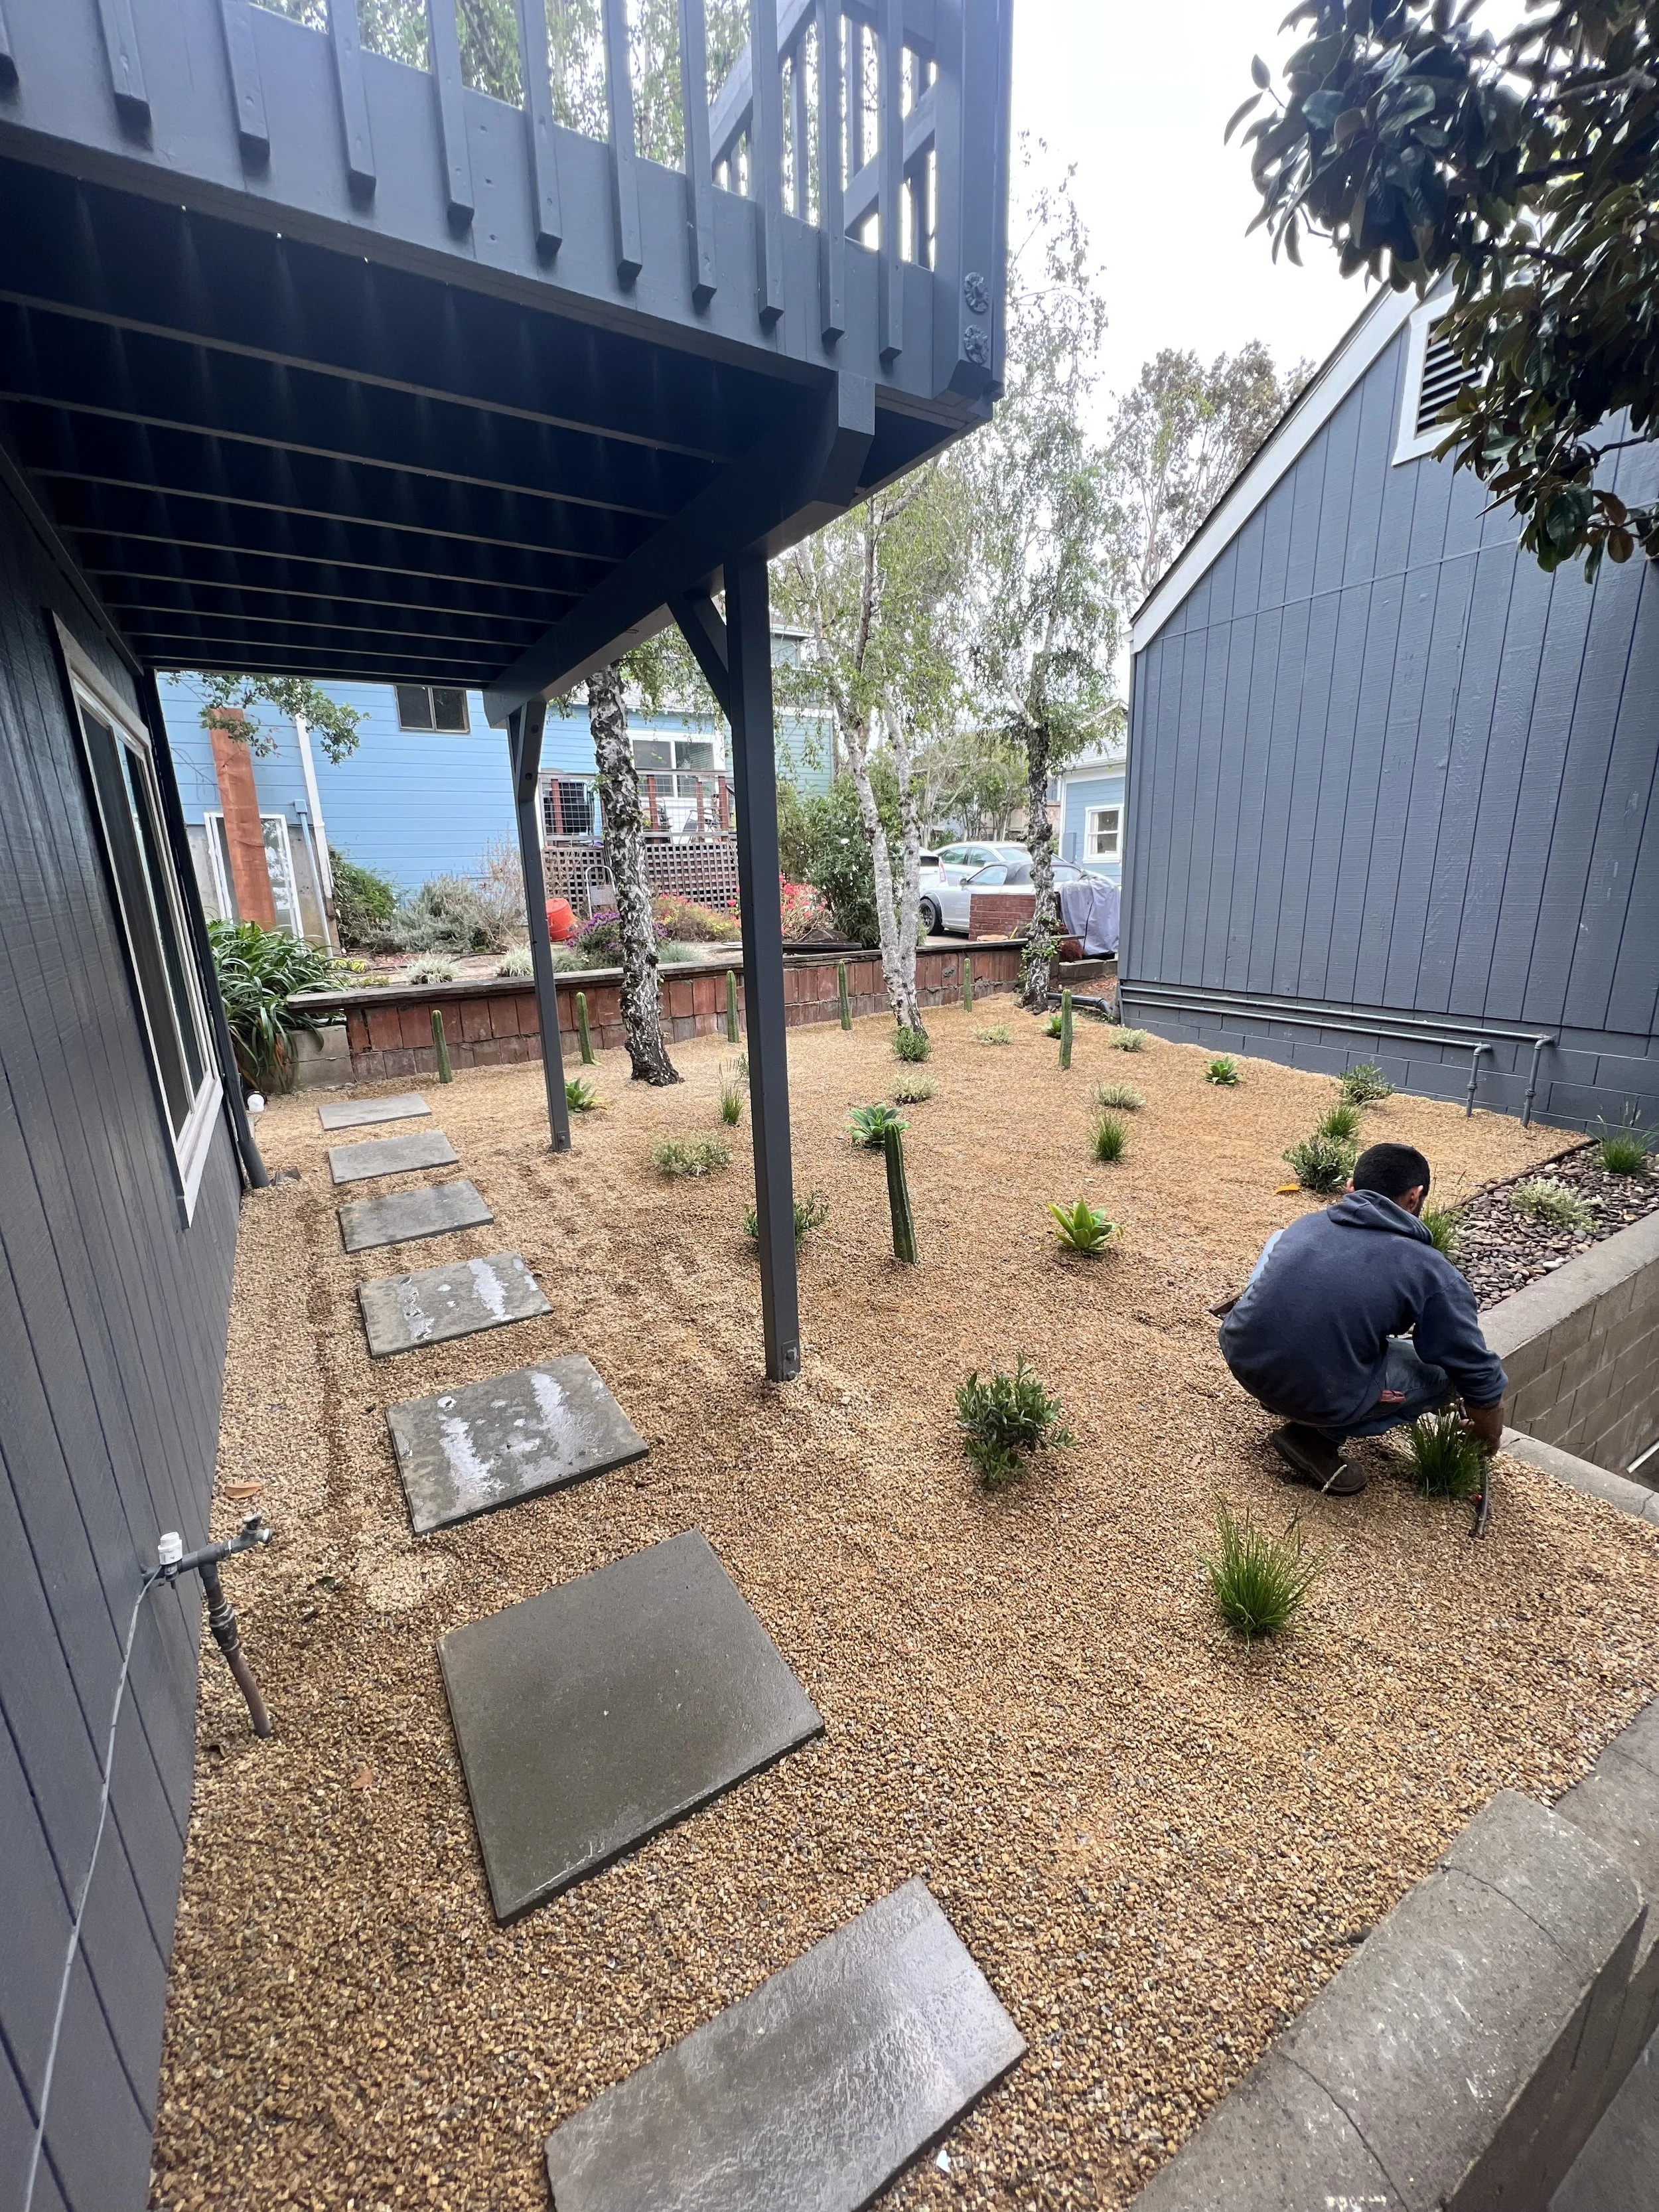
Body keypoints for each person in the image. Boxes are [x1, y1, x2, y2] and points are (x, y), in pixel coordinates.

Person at [1216, 1142, 1506, 1496]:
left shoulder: (1306, 1224)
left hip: (1243, 1360)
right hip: (1311, 1394)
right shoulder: (1429, 1270)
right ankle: (1316, 1437)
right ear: (1414, 1198)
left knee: (1291, 1261)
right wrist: (1487, 1435)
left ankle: (1298, 1394)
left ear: (1352, 1186)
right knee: (1447, 1375)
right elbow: (1473, 1367)